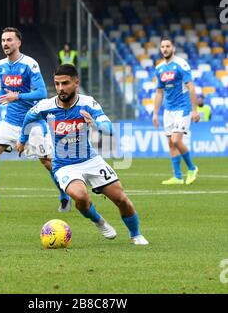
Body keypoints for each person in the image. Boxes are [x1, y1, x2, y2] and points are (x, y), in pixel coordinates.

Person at [16, 64, 149, 245]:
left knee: (121, 199)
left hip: (90, 160)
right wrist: (22, 140)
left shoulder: (88, 103)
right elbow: (28, 118)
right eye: (57, 84)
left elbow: (109, 129)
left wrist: (94, 123)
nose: (60, 88)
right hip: (64, 165)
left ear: (76, 82)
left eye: (65, 83)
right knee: (81, 197)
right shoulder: (46, 106)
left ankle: (136, 234)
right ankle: (98, 221)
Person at [0, 27, 71, 213]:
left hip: (32, 123)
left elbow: (42, 93)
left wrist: (17, 97)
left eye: (9, 40)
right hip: (9, 122)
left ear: (18, 42)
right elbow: (4, 91)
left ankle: (64, 195)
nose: (5, 43)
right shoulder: (2, 64)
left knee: (48, 163)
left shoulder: (30, 64)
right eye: (3, 40)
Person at [152, 37, 200, 185]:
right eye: (162, 47)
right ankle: (178, 177)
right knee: (171, 144)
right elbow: (159, 92)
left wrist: (195, 110)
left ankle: (192, 168)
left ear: (173, 48)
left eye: (167, 46)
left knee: (176, 140)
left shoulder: (181, 64)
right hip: (169, 110)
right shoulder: (159, 68)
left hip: (182, 108)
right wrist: (155, 113)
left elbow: (190, 86)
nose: (165, 49)